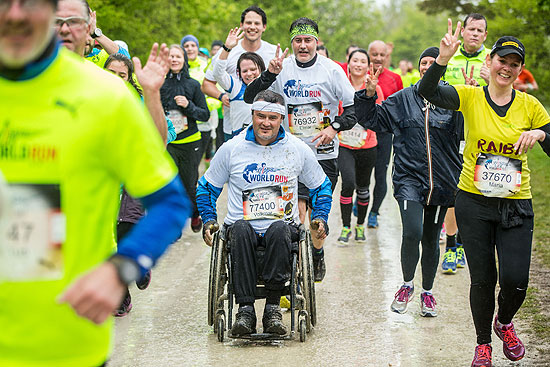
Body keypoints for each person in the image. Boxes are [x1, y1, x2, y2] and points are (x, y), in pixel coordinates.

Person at [0, 0, 191, 365]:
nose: (14, 15)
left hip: (65, 343)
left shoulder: (106, 95)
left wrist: (122, 268)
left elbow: (170, 203)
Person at [419, 20, 550, 366]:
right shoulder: (470, 96)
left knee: (516, 281)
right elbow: (427, 92)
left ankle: (504, 322)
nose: (506, 68)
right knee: (483, 279)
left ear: (520, 70)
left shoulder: (531, 106)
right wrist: (443, 60)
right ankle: (482, 345)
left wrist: (540, 136)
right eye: (502, 61)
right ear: (489, 61)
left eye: (514, 64)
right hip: (474, 202)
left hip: (516, 203)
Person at [197, 90, 331, 336]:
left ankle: (272, 309)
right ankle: (245, 310)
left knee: (280, 228)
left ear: (281, 120)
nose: (266, 123)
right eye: (261, 116)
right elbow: (206, 187)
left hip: (283, 227)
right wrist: (208, 219)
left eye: (272, 117)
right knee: (239, 229)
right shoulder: (232, 148)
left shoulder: (297, 149)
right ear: (253, 115)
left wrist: (320, 215)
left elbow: (321, 186)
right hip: (241, 226)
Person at [244, 17, 358, 282]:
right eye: (298, 41)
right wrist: (269, 75)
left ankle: (316, 254)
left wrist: (334, 127)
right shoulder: (281, 69)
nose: (303, 46)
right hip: (287, 155)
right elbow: (250, 97)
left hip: (323, 156)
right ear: (291, 43)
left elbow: (354, 109)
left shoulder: (332, 70)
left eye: (308, 41)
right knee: (294, 215)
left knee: (317, 223)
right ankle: (293, 269)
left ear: (316, 42)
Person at [356, 47, 464, 317]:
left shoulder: (454, 100)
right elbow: (372, 119)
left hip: (442, 182)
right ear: (419, 68)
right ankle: (407, 285)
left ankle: (427, 292)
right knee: (413, 232)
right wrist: (369, 94)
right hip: (409, 180)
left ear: (442, 66)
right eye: (423, 62)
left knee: (430, 239)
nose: (428, 66)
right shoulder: (404, 99)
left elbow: (465, 138)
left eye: (433, 62)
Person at [104, 51, 177, 316]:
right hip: (105, 184)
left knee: (124, 233)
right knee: (107, 242)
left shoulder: (141, 103)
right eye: (110, 73)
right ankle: (121, 295)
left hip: (133, 182)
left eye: (121, 75)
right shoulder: (88, 101)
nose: (115, 79)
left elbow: (162, 138)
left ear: (129, 78)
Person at [440, 13, 490, 274]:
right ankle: (451, 247)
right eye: (471, 28)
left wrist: (486, 83)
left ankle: (464, 242)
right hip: (451, 128)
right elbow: (436, 87)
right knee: (453, 189)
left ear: (485, 35)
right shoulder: (451, 55)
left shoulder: (493, 59)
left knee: (475, 188)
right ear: (463, 31)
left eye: (480, 30)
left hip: (481, 131)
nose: (474, 33)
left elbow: (508, 95)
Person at [201, 6, 277, 142]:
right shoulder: (227, 51)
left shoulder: (273, 52)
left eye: (257, 23)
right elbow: (207, 84)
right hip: (234, 126)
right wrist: (222, 96)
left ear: (264, 27)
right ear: (242, 25)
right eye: (248, 23)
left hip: (267, 126)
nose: (252, 27)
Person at [161, 45, 210, 233]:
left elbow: (204, 115)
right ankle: (174, 225)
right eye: (171, 56)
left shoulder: (193, 85)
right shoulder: (160, 85)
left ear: (184, 60)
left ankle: (195, 212)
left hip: (190, 142)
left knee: (189, 183)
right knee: (169, 183)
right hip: (167, 143)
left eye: (178, 57)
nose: (174, 60)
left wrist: (188, 105)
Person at [337, 49, 383, 244]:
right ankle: (346, 226)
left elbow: (378, 115)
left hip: (367, 145)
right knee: (347, 184)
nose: (358, 64)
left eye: (362, 61)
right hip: (344, 144)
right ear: (348, 63)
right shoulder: (341, 84)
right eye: (354, 60)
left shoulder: (374, 86)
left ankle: (360, 225)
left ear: (368, 65)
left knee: (363, 188)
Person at [366, 40, 403, 228]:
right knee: (360, 177)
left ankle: (374, 211)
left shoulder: (395, 78)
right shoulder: (360, 74)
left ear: (387, 55)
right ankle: (361, 204)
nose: (379, 58)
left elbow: (400, 108)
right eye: (375, 54)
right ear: (368, 54)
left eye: (382, 54)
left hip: (384, 134)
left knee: (381, 176)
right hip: (362, 135)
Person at [213, 27, 265, 136]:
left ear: (261, 69)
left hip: (264, 141)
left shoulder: (268, 88)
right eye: (245, 71)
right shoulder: (235, 86)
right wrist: (227, 48)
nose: (249, 74)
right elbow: (218, 73)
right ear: (239, 73)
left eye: (253, 69)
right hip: (239, 140)